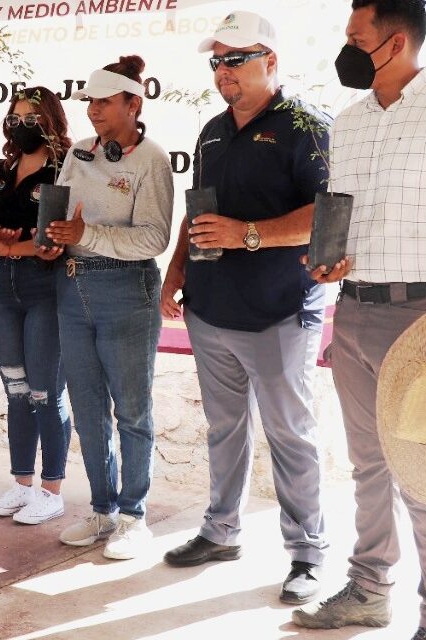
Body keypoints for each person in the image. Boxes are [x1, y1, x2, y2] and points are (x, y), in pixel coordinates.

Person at [293, 2, 426, 638]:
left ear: (396, 41)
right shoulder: (348, 122)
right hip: (353, 311)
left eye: (357, 38)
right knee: (369, 467)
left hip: (425, 317)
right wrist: (327, 266)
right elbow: (343, 216)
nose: (347, 48)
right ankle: (369, 589)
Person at [159, 10, 330, 604]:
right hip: (210, 311)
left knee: (290, 434)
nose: (223, 70)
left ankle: (308, 552)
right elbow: (199, 211)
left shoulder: (306, 125)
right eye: (216, 61)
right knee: (225, 429)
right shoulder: (209, 130)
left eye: (236, 58)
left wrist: (247, 234)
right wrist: (175, 270)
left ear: (271, 62)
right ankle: (221, 530)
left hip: (281, 310)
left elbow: (326, 214)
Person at [45, 56, 173, 559]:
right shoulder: (78, 152)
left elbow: (155, 238)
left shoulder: (152, 159)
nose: (93, 110)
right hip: (71, 286)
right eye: (89, 102)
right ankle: (101, 510)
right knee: (88, 409)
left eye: (103, 101)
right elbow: (62, 217)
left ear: (132, 104)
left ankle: (133, 516)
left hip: (127, 290)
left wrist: (88, 235)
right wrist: (53, 241)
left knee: (133, 410)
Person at [0, 87, 72, 525]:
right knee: (17, 392)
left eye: (31, 118)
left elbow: (53, 242)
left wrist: (13, 247)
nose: (20, 125)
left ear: (50, 121)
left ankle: (52, 490)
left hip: (46, 290)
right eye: (15, 117)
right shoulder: (5, 168)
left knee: (47, 393)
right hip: (5, 291)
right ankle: (22, 484)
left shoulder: (65, 170)